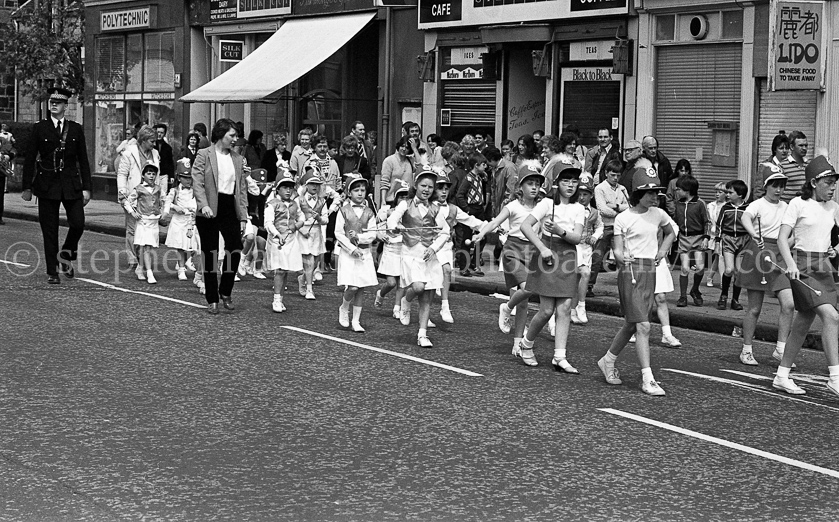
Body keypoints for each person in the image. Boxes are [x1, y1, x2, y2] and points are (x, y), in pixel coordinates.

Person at [597, 168, 676, 396]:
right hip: (630, 272)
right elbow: (617, 249)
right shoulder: (623, 218)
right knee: (643, 325)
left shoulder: (659, 214)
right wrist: (621, 257)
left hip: (650, 270)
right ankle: (647, 378)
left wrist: (663, 250)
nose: (654, 197)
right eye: (649, 193)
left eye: (656, 192)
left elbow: (671, 232)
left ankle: (608, 360)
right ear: (637, 194)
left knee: (633, 323)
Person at [775, 156, 839, 397]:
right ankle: (835, 377)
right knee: (832, 317)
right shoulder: (797, 204)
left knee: (802, 323)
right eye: (828, 183)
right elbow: (782, 239)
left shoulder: (833, 207)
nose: (832, 188)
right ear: (813, 183)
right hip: (802, 267)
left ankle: (781, 376)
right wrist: (790, 264)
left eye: (834, 183)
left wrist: (835, 249)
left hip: (824, 267)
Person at [517, 162, 585, 372]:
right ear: (556, 183)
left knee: (565, 308)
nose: (570, 185)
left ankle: (559, 356)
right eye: (565, 180)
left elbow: (577, 237)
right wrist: (542, 248)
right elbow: (525, 226)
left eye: (574, 181)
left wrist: (559, 230)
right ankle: (526, 344)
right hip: (547, 253)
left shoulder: (579, 208)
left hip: (567, 256)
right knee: (546, 310)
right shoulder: (547, 203)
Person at [21, 87, 92, 284]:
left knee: (78, 224)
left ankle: (65, 256)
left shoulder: (75, 128)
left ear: (65, 106)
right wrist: (27, 187)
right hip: (47, 184)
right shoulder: (40, 127)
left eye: (58, 103)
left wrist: (87, 187)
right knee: (49, 230)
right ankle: (52, 271)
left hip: (70, 184)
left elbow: (83, 160)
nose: (53, 105)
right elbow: (29, 158)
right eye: (52, 102)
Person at [476, 160, 542, 357]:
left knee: (524, 302)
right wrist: (481, 233)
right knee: (527, 289)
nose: (534, 187)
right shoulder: (513, 206)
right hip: (513, 250)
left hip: (533, 251)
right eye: (530, 183)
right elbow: (495, 222)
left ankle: (517, 342)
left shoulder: (542, 207)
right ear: (520, 186)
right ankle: (506, 307)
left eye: (537, 184)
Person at [737, 162, 796, 367]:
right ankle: (746, 350)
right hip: (758, 253)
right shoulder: (757, 204)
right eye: (774, 185)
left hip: (779, 255)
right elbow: (745, 217)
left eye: (782, 185)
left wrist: (787, 244)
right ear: (766, 186)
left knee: (789, 304)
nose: (779, 189)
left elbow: (792, 234)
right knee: (754, 308)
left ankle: (781, 349)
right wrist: (753, 233)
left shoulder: (787, 207)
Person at [387, 166, 450, 348]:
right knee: (418, 287)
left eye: (430, 187)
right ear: (416, 185)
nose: (426, 190)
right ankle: (406, 300)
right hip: (410, 255)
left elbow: (445, 232)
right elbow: (392, 220)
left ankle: (422, 334)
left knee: (427, 297)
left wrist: (434, 248)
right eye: (423, 185)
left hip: (428, 256)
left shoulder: (435, 209)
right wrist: (396, 226)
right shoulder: (405, 204)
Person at [192, 118, 249, 315]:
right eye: (231, 135)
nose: (235, 139)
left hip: (228, 206)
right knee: (211, 253)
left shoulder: (238, 159)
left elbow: (242, 189)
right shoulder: (204, 154)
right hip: (209, 206)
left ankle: (225, 290)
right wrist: (204, 205)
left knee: (235, 248)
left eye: (236, 136)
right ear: (220, 134)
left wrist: (243, 216)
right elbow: (197, 182)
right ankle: (212, 298)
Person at [434, 171, 485, 323]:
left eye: (446, 188)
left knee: (447, 270)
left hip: (445, 247)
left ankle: (445, 306)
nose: (444, 191)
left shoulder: (453, 209)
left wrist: (491, 226)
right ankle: (405, 303)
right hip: (428, 246)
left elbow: (470, 220)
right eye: (440, 188)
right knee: (424, 286)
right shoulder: (426, 206)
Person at [335, 174, 379, 332]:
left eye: (362, 190)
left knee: (361, 288)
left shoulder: (369, 212)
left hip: (364, 253)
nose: (360, 193)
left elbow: (373, 234)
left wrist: (360, 238)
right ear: (349, 193)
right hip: (348, 254)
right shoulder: (343, 211)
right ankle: (344, 307)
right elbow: (339, 233)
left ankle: (356, 320)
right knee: (352, 287)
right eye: (356, 190)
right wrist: (352, 248)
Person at [117, 125, 162, 273]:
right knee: (132, 227)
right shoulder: (129, 153)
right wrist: (122, 191)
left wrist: (160, 194)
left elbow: (158, 175)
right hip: (133, 194)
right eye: (151, 141)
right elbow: (122, 174)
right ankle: (133, 258)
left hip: (150, 196)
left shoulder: (155, 154)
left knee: (144, 228)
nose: (154, 144)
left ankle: (142, 257)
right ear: (143, 140)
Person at [264, 170, 304, 313]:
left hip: (291, 240)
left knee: (285, 270)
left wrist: (297, 225)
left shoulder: (294, 204)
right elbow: (268, 223)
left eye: (290, 187)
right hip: (277, 241)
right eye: (285, 187)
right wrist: (277, 234)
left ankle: (280, 298)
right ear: (278, 189)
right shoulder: (271, 204)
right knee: (279, 270)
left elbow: (301, 217)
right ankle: (276, 299)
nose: (288, 190)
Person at [589, 160, 629, 296]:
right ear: (606, 173)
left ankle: (625, 287)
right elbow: (602, 209)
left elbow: (629, 207)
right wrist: (619, 212)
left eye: (618, 175)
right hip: (604, 226)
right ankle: (589, 285)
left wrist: (615, 206)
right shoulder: (600, 188)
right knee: (597, 257)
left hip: (618, 228)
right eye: (613, 175)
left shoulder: (622, 189)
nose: (615, 178)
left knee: (621, 258)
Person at [374, 180, 411, 319]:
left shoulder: (411, 213)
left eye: (406, 197)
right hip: (390, 249)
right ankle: (380, 293)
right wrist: (381, 233)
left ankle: (397, 308)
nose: (404, 200)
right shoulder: (387, 210)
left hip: (404, 249)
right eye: (401, 197)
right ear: (396, 198)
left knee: (402, 282)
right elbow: (375, 223)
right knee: (391, 283)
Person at [570, 172, 603, 325]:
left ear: (591, 195)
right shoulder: (571, 209)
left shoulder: (594, 212)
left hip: (586, 248)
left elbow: (600, 227)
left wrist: (595, 236)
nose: (582, 197)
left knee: (581, 277)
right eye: (580, 194)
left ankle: (575, 308)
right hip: (573, 246)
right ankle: (579, 306)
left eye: (585, 194)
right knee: (582, 275)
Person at [673, 175, 710, 307]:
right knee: (684, 268)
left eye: (679, 189)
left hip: (698, 238)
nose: (676, 191)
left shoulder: (700, 203)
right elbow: (675, 220)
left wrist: (706, 238)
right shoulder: (678, 204)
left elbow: (707, 222)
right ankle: (682, 296)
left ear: (687, 190)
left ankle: (695, 289)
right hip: (684, 238)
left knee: (700, 267)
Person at [123, 162, 163, 283]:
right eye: (149, 173)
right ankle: (149, 273)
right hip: (143, 221)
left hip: (154, 221)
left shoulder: (158, 189)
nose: (151, 176)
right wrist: (132, 212)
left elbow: (164, 200)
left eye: (153, 174)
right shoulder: (139, 189)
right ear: (143, 175)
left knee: (150, 248)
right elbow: (127, 202)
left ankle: (140, 268)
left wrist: (164, 212)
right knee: (146, 247)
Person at [164, 159, 200, 281]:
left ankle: (184, 261)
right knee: (180, 246)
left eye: (190, 178)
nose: (188, 180)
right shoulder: (175, 191)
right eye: (185, 178)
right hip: (179, 221)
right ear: (179, 178)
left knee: (193, 247)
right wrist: (174, 207)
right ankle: (181, 269)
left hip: (191, 221)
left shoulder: (195, 191)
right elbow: (167, 202)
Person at [296, 168, 330, 300]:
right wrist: (301, 230)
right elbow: (293, 218)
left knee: (315, 262)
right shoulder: (299, 200)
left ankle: (302, 278)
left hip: (317, 233)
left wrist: (319, 218)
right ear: (306, 185)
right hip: (304, 232)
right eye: (312, 184)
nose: (315, 186)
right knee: (309, 262)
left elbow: (326, 219)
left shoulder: (322, 201)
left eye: (317, 184)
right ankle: (309, 289)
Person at [715, 180, 749, 311]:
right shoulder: (725, 208)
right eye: (727, 192)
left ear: (740, 194)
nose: (727, 195)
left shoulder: (747, 208)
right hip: (728, 239)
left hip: (743, 240)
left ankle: (735, 299)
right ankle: (723, 296)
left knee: (739, 272)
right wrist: (717, 242)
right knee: (729, 269)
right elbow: (719, 225)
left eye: (730, 192)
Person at [455, 152, 489, 277]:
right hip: (471, 208)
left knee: (482, 237)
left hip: (479, 208)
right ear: (476, 165)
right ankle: (464, 266)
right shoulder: (468, 178)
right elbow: (459, 195)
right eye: (483, 164)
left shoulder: (480, 177)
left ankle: (475, 263)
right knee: (467, 239)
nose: (485, 166)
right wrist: (467, 209)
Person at [379, 137, 414, 204]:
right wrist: (383, 200)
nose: (404, 149)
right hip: (392, 200)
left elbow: (420, 166)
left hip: (408, 200)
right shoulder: (389, 160)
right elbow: (384, 181)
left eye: (407, 148)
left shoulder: (411, 161)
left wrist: (414, 148)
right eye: (402, 146)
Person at [705, 181, 727, 287]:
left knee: (720, 256)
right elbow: (708, 220)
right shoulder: (710, 205)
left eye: (720, 192)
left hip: (723, 234)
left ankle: (722, 281)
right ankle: (710, 277)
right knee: (718, 257)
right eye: (716, 192)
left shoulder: (727, 206)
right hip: (712, 234)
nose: (717, 194)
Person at [783, 130, 808, 201]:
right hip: (788, 206)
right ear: (792, 147)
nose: (804, 148)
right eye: (801, 145)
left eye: (806, 145)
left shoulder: (810, 165)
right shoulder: (782, 166)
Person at [0, 123, 16, 224]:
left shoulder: (5, 139)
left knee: (0, 195)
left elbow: (13, 150)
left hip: (0, 171)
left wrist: (9, 156)